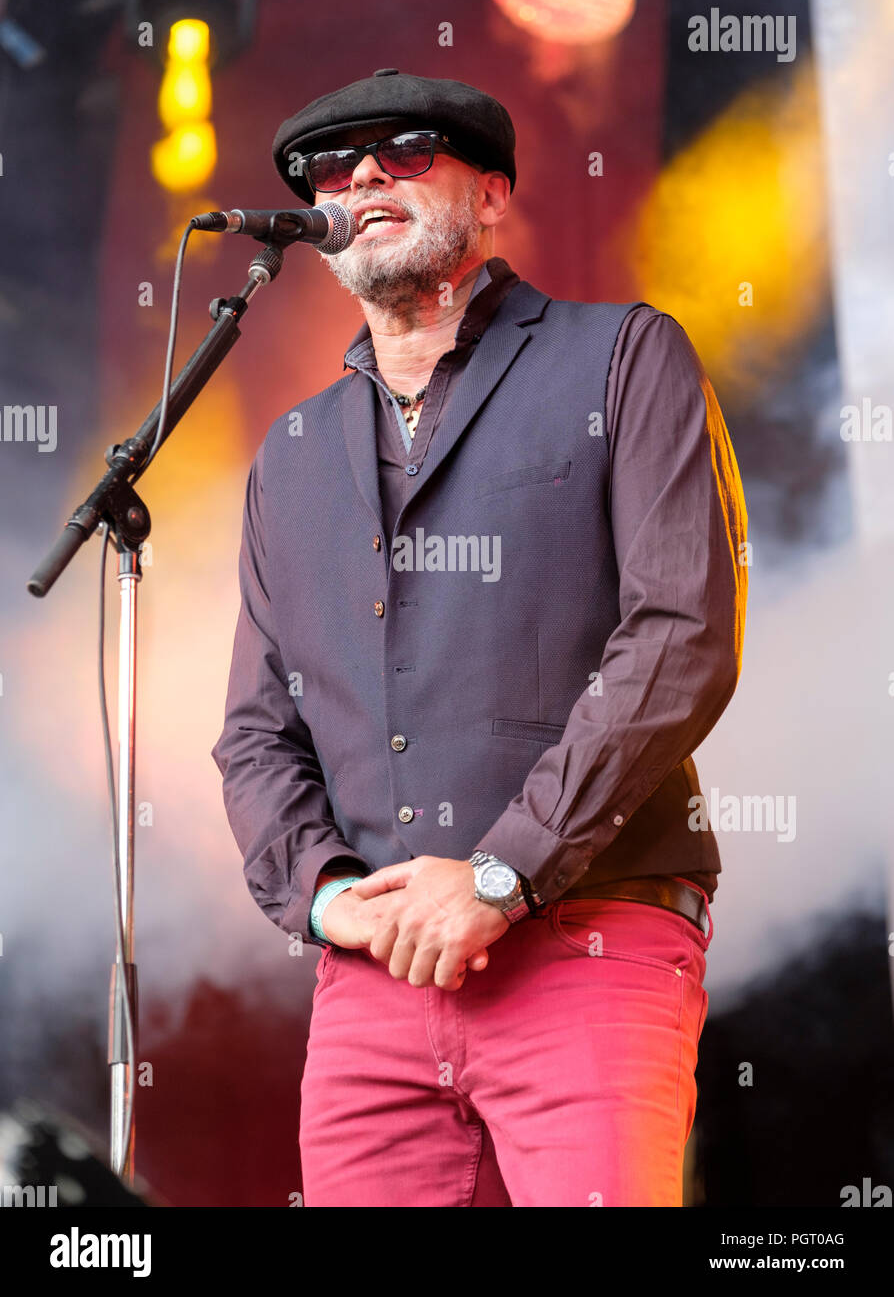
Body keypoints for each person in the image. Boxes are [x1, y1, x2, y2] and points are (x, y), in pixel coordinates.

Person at [211, 67, 748, 1207]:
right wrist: (323, 895)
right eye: (329, 164)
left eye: (405, 149)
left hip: (590, 941)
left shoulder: (624, 357)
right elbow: (256, 733)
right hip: (373, 976)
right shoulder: (292, 454)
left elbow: (682, 636)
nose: (359, 174)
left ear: (494, 194)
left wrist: (504, 871)